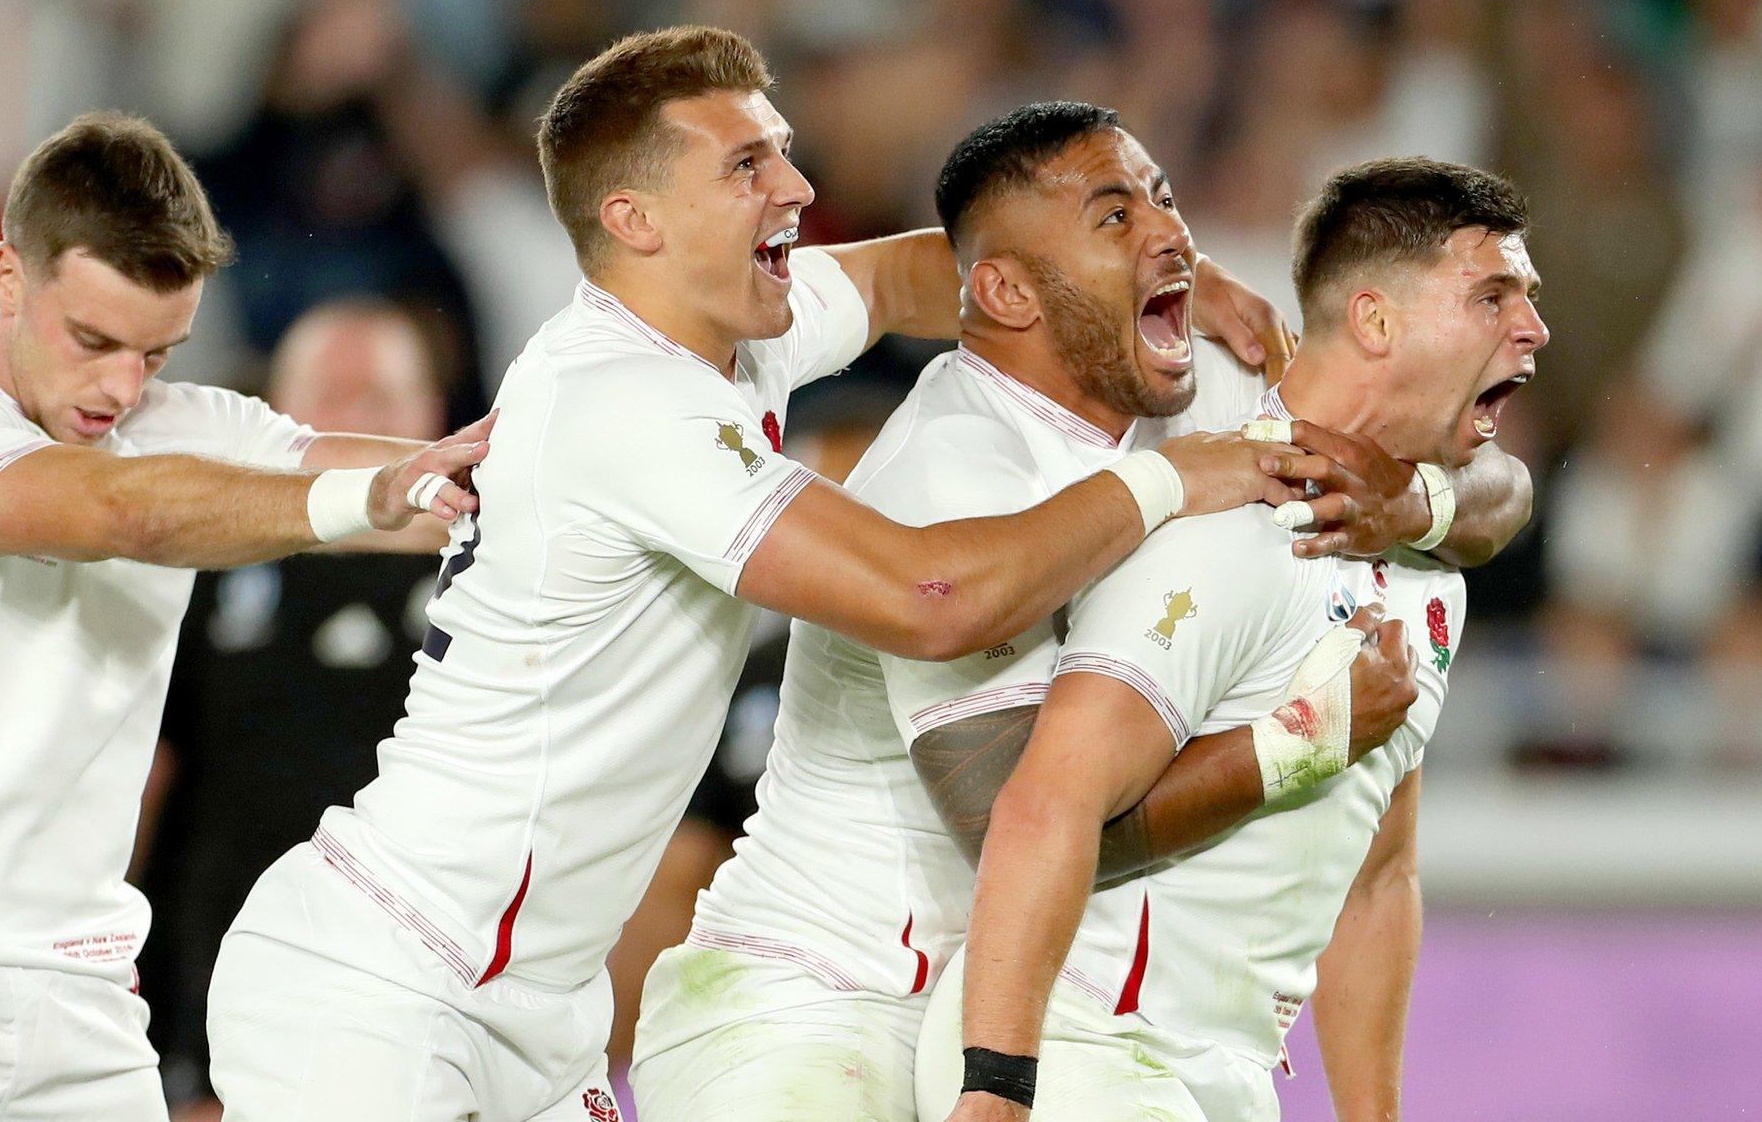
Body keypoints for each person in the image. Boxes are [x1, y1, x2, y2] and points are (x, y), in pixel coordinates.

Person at [205, 26, 1308, 1122]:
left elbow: (924, 274)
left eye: (778, 148)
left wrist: (1154, 274)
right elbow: (929, 600)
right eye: (745, 166)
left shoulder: (736, 327)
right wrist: (1176, 481)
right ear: (633, 221)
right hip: (388, 980)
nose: (795, 182)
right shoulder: (621, 397)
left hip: (536, 1012)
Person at [630, 104, 1534, 1122]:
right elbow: (1027, 817)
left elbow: (1460, 459)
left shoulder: (1194, 396)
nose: (1166, 232)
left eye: (1164, 199)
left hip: (986, 1007)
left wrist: (1414, 504)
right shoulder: (955, 468)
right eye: (1113, 217)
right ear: (1009, 292)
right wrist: (1298, 743)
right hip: (811, 1003)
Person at [0, 112, 489, 1121]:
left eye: (157, 352)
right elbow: (118, 511)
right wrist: (376, 496)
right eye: (92, 340)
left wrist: (545, 470)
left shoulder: (178, 424)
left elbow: (403, 479)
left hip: (86, 1014)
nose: (120, 389)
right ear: (8, 275)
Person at [919, 157, 1546, 1122]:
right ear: (1375, 321)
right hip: (1087, 1051)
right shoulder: (1229, 526)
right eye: (1493, 295)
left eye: (1529, 298)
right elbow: (1048, 801)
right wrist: (995, 1090)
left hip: (1223, 1075)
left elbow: (1376, 880)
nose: (1532, 329)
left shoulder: (1430, 573)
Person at [139, 298, 456, 1120]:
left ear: (429, 418)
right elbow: (142, 772)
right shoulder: (193, 578)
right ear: (276, 422)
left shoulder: (494, 589)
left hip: (425, 985)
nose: (354, 421)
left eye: (380, 402)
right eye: (329, 398)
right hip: (218, 980)